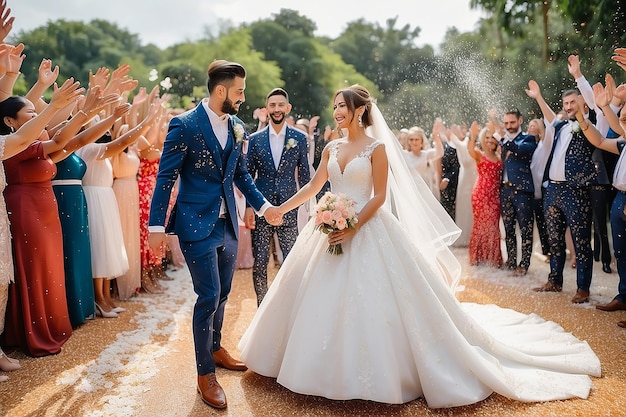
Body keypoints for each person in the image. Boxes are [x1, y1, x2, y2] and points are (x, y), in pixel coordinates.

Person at [238, 84, 600, 407]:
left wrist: (351, 227)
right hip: (328, 230)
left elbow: (379, 196)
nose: (337, 112)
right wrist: (279, 209)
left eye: (343, 106)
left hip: (367, 228)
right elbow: (316, 187)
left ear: (360, 110)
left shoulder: (377, 148)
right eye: (335, 106)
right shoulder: (331, 146)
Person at [147, 60, 282, 410]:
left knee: (223, 293)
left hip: (227, 223)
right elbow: (165, 178)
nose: (243, 96)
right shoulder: (185, 125)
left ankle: (217, 347)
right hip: (194, 223)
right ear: (221, 90)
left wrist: (264, 207)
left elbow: (240, 176)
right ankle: (205, 373)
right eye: (239, 90)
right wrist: (157, 226)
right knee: (208, 295)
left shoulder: (237, 126)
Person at [525, 80, 598, 304]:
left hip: (576, 191)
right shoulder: (560, 126)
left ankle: (583, 288)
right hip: (553, 190)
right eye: (565, 103)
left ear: (582, 102)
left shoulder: (589, 123)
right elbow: (549, 117)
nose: (568, 106)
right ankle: (554, 281)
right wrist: (538, 97)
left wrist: (578, 76)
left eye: (572, 102)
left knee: (581, 242)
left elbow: (593, 105)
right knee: (555, 240)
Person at [244, 88, 311, 306]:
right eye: (272, 105)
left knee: (291, 260)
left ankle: (288, 306)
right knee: (260, 261)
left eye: (280, 105)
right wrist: (248, 208)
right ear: (267, 109)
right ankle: (262, 307)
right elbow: (248, 177)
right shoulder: (254, 140)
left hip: (289, 209)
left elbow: (305, 177)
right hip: (261, 209)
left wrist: (305, 207)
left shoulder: (299, 138)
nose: (276, 109)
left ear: (288, 108)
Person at [575, 69, 626, 326]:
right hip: (619, 198)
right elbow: (598, 139)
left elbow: (615, 125)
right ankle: (624, 295)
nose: (623, 120)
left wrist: (608, 108)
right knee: (622, 251)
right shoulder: (622, 143)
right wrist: (584, 121)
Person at [496, 109, 537, 276]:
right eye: (506, 123)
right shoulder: (504, 142)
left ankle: (524, 264)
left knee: (526, 229)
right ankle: (511, 260)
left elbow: (519, 150)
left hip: (522, 192)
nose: (509, 126)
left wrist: (500, 137)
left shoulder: (528, 138)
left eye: (512, 122)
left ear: (520, 121)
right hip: (505, 190)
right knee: (508, 229)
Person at [464, 121, 503, 267]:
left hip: (495, 196)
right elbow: (469, 149)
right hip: (480, 194)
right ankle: (478, 258)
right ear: (482, 139)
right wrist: (472, 134)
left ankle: (493, 259)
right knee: (480, 225)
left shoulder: (500, 156)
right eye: (487, 137)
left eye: (492, 137)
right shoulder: (479, 154)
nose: (490, 140)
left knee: (493, 226)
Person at [528, 117, 551, 262]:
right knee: (539, 222)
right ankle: (545, 250)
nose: (531, 127)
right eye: (529, 125)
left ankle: (551, 250)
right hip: (531, 187)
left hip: (543, 186)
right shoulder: (526, 143)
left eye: (534, 125)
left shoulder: (544, 143)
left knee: (546, 220)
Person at [403, 124, 443, 199]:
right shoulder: (404, 154)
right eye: (411, 139)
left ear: (421, 141)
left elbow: (440, 153)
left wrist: (436, 136)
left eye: (416, 139)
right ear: (408, 141)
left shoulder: (426, 155)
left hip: (423, 190)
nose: (414, 142)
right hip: (409, 190)